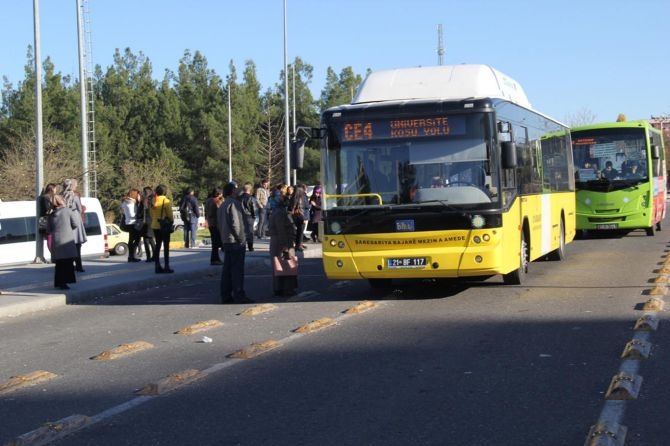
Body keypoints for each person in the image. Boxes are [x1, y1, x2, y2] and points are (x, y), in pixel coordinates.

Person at [218, 181, 253, 304]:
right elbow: (236, 224)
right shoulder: (234, 204)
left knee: (227, 270)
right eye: (236, 189)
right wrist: (242, 238)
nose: (238, 190)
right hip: (235, 241)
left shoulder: (223, 205)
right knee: (237, 270)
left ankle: (226, 295)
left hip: (226, 240)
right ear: (232, 191)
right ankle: (239, 294)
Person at [268, 192, 298, 297]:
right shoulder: (281, 213)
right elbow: (281, 230)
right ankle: (286, 288)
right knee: (286, 265)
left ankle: (279, 288)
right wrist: (285, 246)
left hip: (277, 241)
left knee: (278, 265)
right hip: (282, 241)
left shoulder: (275, 212)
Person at [48, 194, 78, 290]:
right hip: (67, 240)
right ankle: (64, 282)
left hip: (56, 240)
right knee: (68, 263)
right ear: (62, 201)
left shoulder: (51, 214)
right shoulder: (68, 211)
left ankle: (58, 282)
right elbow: (75, 224)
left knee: (59, 263)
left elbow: (48, 229)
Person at [61, 178, 87, 272]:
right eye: (75, 185)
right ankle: (79, 266)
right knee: (77, 245)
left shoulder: (60, 196)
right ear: (71, 186)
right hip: (75, 219)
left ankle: (70, 265)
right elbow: (80, 209)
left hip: (64, 221)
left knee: (68, 246)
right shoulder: (74, 196)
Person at [150, 184, 174, 274]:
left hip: (155, 225)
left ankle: (157, 266)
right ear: (165, 191)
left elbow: (151, 214)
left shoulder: (153, 201)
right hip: (164, 226)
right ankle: (166, 266)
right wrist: (171, 221)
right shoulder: (166, 201)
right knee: (166, 246)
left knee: (158, 245)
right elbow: (170, 216)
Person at [121, 188, 143, 263]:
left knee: (131, 240)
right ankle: (132, 256)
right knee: (136, 239)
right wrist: (139, 214)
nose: (139, 196)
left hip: (128, 222)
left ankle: (131, 256)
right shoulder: (130, 202)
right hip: (133, 223)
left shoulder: (125, 202)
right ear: (135, 195)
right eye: (138, 194)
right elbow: (132, 214)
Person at [205, 187, 224, 265]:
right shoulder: (216, 201)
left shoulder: (208, 200)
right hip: (216, 223)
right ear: (219, 194)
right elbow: (220, 211)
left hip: (210, 223)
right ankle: (215, 259)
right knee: (216, 243)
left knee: (214, 243)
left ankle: (215, 258)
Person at [239, 182, 257, 252]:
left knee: (241, 231)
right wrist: (254, 216)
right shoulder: (251, 198)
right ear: (250, 189)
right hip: (249, 216)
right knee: (250, 232)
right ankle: (250, 247)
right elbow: (254, 208)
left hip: (240, 216)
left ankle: (242, 245)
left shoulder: (238, 198)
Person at [139, 187, 156, 262]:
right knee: (151, 239)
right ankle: (155, 256)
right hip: (151, 221)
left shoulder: (143, 201)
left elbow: (139, 213)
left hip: (144, 222)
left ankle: (148, 257)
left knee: (146, 240)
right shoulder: (153, 199)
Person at [288, 185, 307, 251]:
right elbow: (299, 209)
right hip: (299, 216)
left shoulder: (293, 197)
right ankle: (298, 245)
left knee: (298, 231)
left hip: (295, 216)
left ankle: (298, 245)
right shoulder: (299, 198)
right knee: (300, 231)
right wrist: (303, 218)